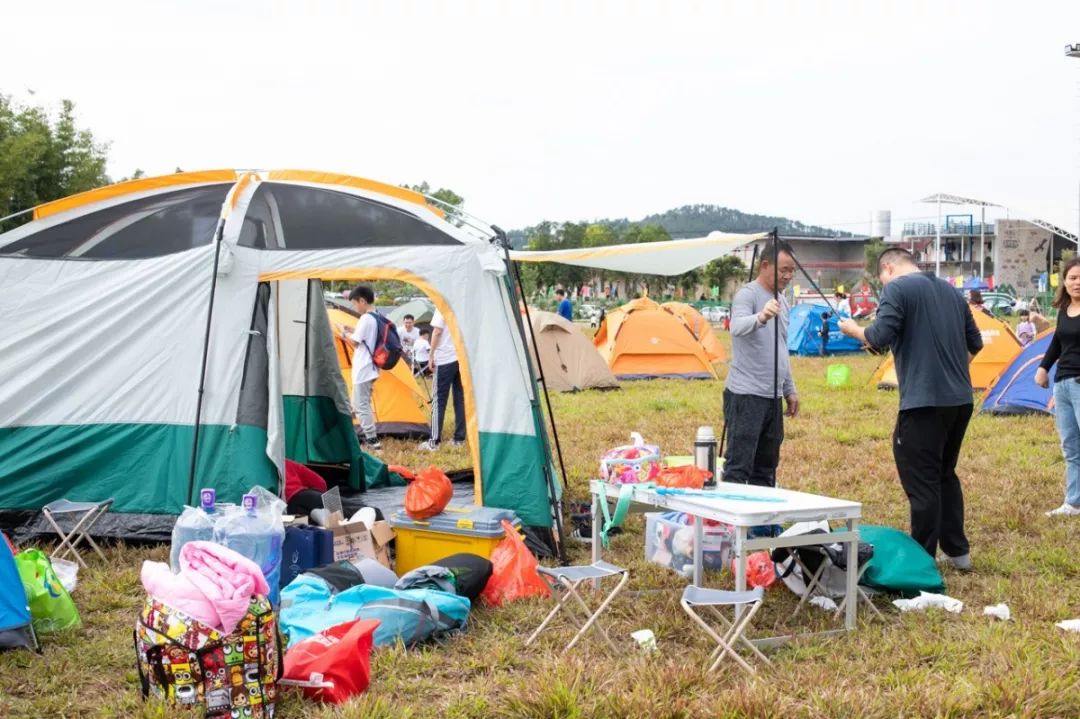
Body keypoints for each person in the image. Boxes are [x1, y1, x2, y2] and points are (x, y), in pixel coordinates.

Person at [839, 248, 982, 568]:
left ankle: (921, 561)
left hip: (923, 402)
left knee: (922, 482)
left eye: (881, 277)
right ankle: (959, 554)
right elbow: (975, 344)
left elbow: (877, 334)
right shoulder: (950, 291)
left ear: (887, 268)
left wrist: (852, 330)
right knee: (945, 474)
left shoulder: (896, 288)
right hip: (959, 400)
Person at [723, 241, 799, 488]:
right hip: (746, 395)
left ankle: (760, 526)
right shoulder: (748, 294)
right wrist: (762, 316)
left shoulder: (783, 301)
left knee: (767, 468)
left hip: (773, 396)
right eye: (783, 270)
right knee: (739, 465)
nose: (787, 276)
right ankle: (731, 525)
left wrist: (789, 388)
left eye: (791, 271)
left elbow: (781, 347)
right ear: (765, 265)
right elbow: (736, 327)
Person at [1035, 257, 1080, 516]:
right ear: (1064, 281)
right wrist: (1043, 369)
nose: (1077, 283)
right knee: (1071, 446)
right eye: (1073, 278)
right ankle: (1073, 502)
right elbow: (1056, 343)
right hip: (1062, 385)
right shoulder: (1064, 310)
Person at [338, 285, 382, 451]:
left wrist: (343, 332)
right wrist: (353, 330)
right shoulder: (375, 316)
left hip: (364, 368)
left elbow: (355, 342)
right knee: (361, 403)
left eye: (355, 303)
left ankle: (373, 441)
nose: (356, 307)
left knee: (360, 405)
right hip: (371, 368)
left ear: (362, 301)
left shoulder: (366, 318)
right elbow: (365, 336)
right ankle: (367, 437)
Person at [421, 309, 465, 450]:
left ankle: (434, 441)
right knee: (460, 399)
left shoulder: (442, 306)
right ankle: (459, 438)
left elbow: (437, 332)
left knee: (438, 400)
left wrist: (431, 355)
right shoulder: (462, 306)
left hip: (445, 359)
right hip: (462, 359)